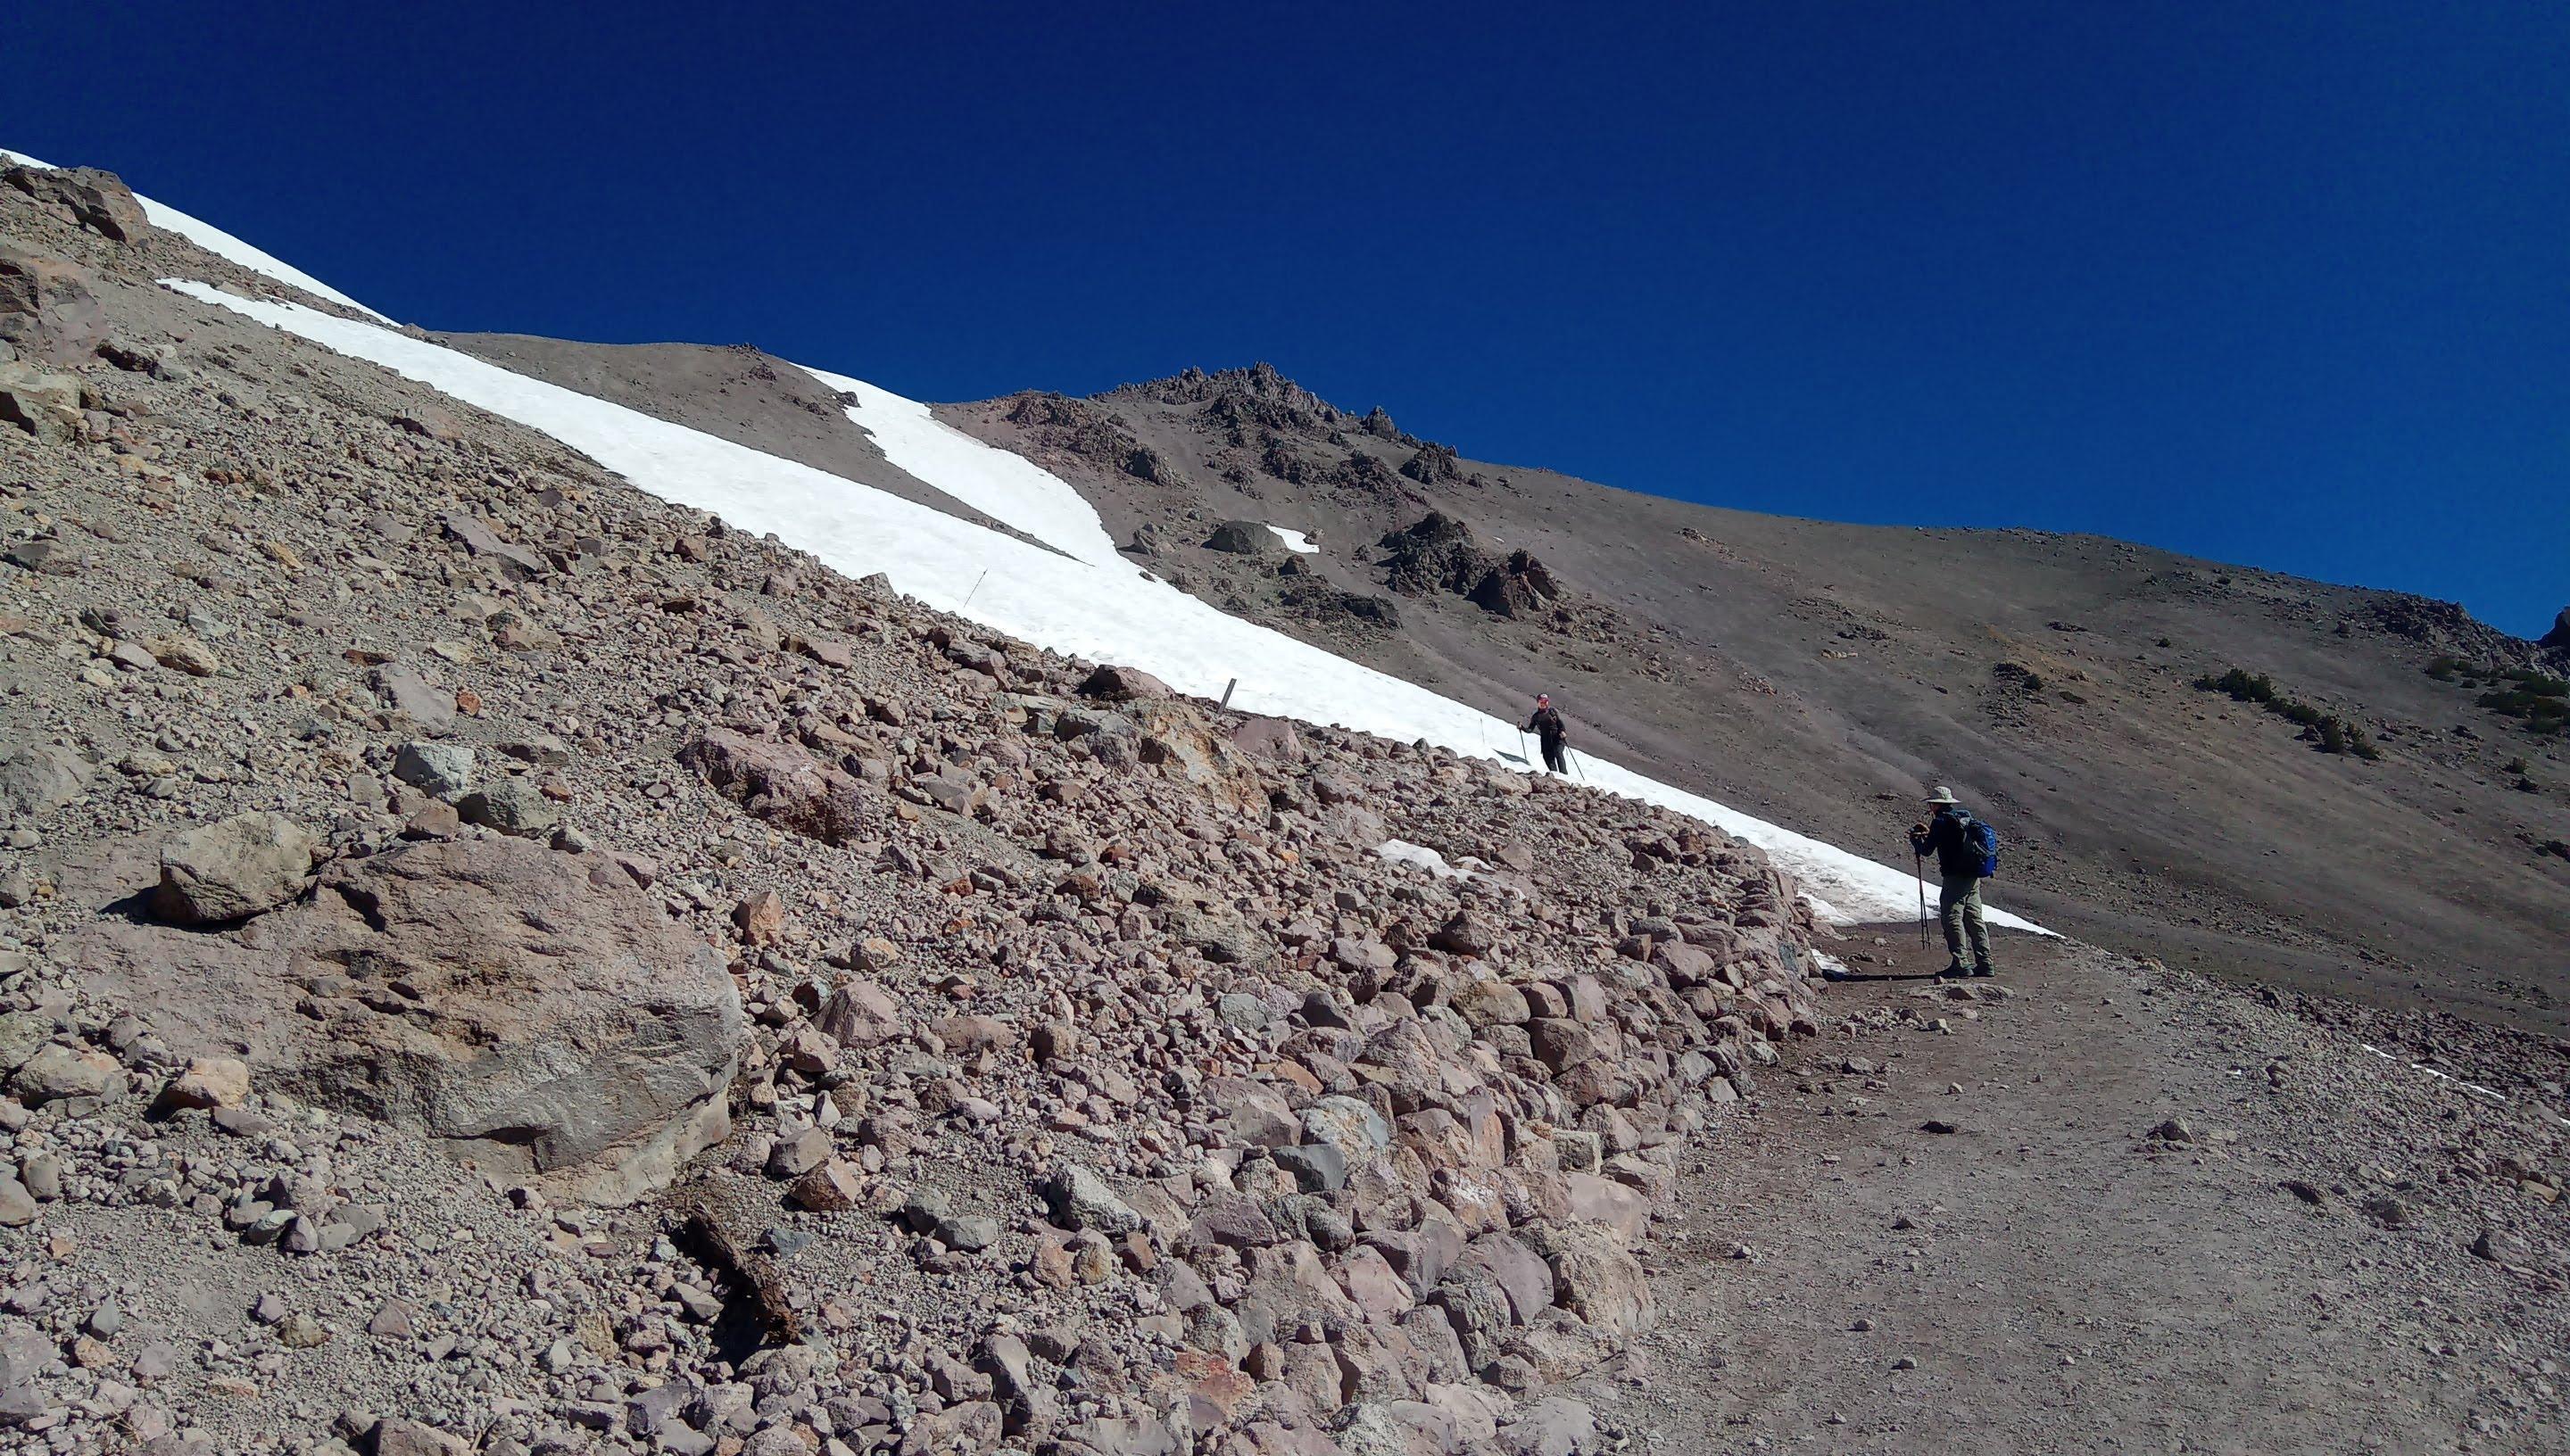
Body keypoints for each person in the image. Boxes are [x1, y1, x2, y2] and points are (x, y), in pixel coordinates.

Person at [1909, 785, 1994, 978]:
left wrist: (1915, 841)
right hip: (1973, 877)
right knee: (1974, 919)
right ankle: (1985, 963)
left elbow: (1926, 850)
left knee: (1952, 918)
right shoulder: (1963, 818)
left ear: (1935, 805)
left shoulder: (1940, 822)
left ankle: (1960, 963)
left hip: (1955, 878)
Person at [1523, 693, 1569, 774]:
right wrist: (1522, 728)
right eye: (1541, 702)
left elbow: (1560, 723)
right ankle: (1556, 776)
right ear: (1538, 702)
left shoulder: (1552, 712)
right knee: (1548, 758)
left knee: (1558, 753)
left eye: (1545, 701)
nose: (1543, 704)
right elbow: (1530, 729)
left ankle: (1564, 775)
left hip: (1557, 738)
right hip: (1546, 741)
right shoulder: (1536, 717)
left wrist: (1562, 731)